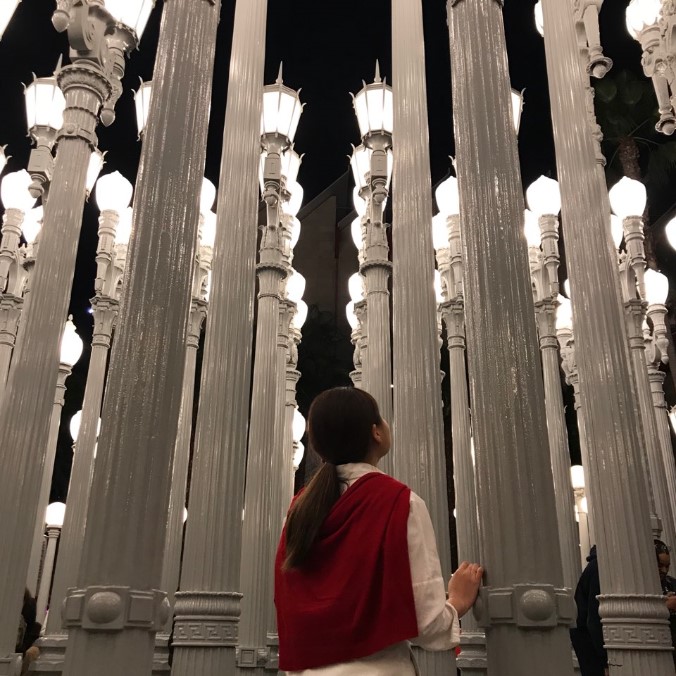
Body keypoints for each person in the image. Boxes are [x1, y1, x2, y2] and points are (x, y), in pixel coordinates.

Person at [274, 387, 483, 675]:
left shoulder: (299, 509)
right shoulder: (399, 502)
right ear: (376, 432)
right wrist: (457, 601)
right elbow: (427, 624)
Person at [570, 546, 607, 676]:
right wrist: (605, 661)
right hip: (590, 641)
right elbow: (594, 619)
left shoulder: (597, 567)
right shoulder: (599, 568)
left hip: (587, 637)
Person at [654, 539, 676, 669]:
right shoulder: (641, 586)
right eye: (660, 565)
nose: (664, 570)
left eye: (667, 566)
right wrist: (663, 605)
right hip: (657, 649)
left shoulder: (671, 583)